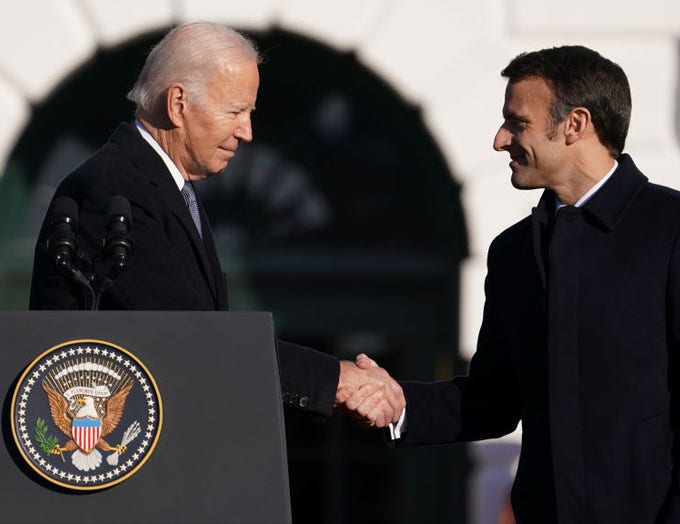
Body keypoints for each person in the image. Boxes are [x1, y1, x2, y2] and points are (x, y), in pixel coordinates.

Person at [356, 46, 680, 523]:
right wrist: (400, 405)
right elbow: (493, 401)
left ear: (575, 124)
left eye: (517, 122)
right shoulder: (513, 252)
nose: (500, 140)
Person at [29, 22, 404, 429]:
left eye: (250, 113)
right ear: (178, 104)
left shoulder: (167, 187)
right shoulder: (113, 189)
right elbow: (188, 335)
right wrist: (337, 380)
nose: (247, 132)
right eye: (235, 112)